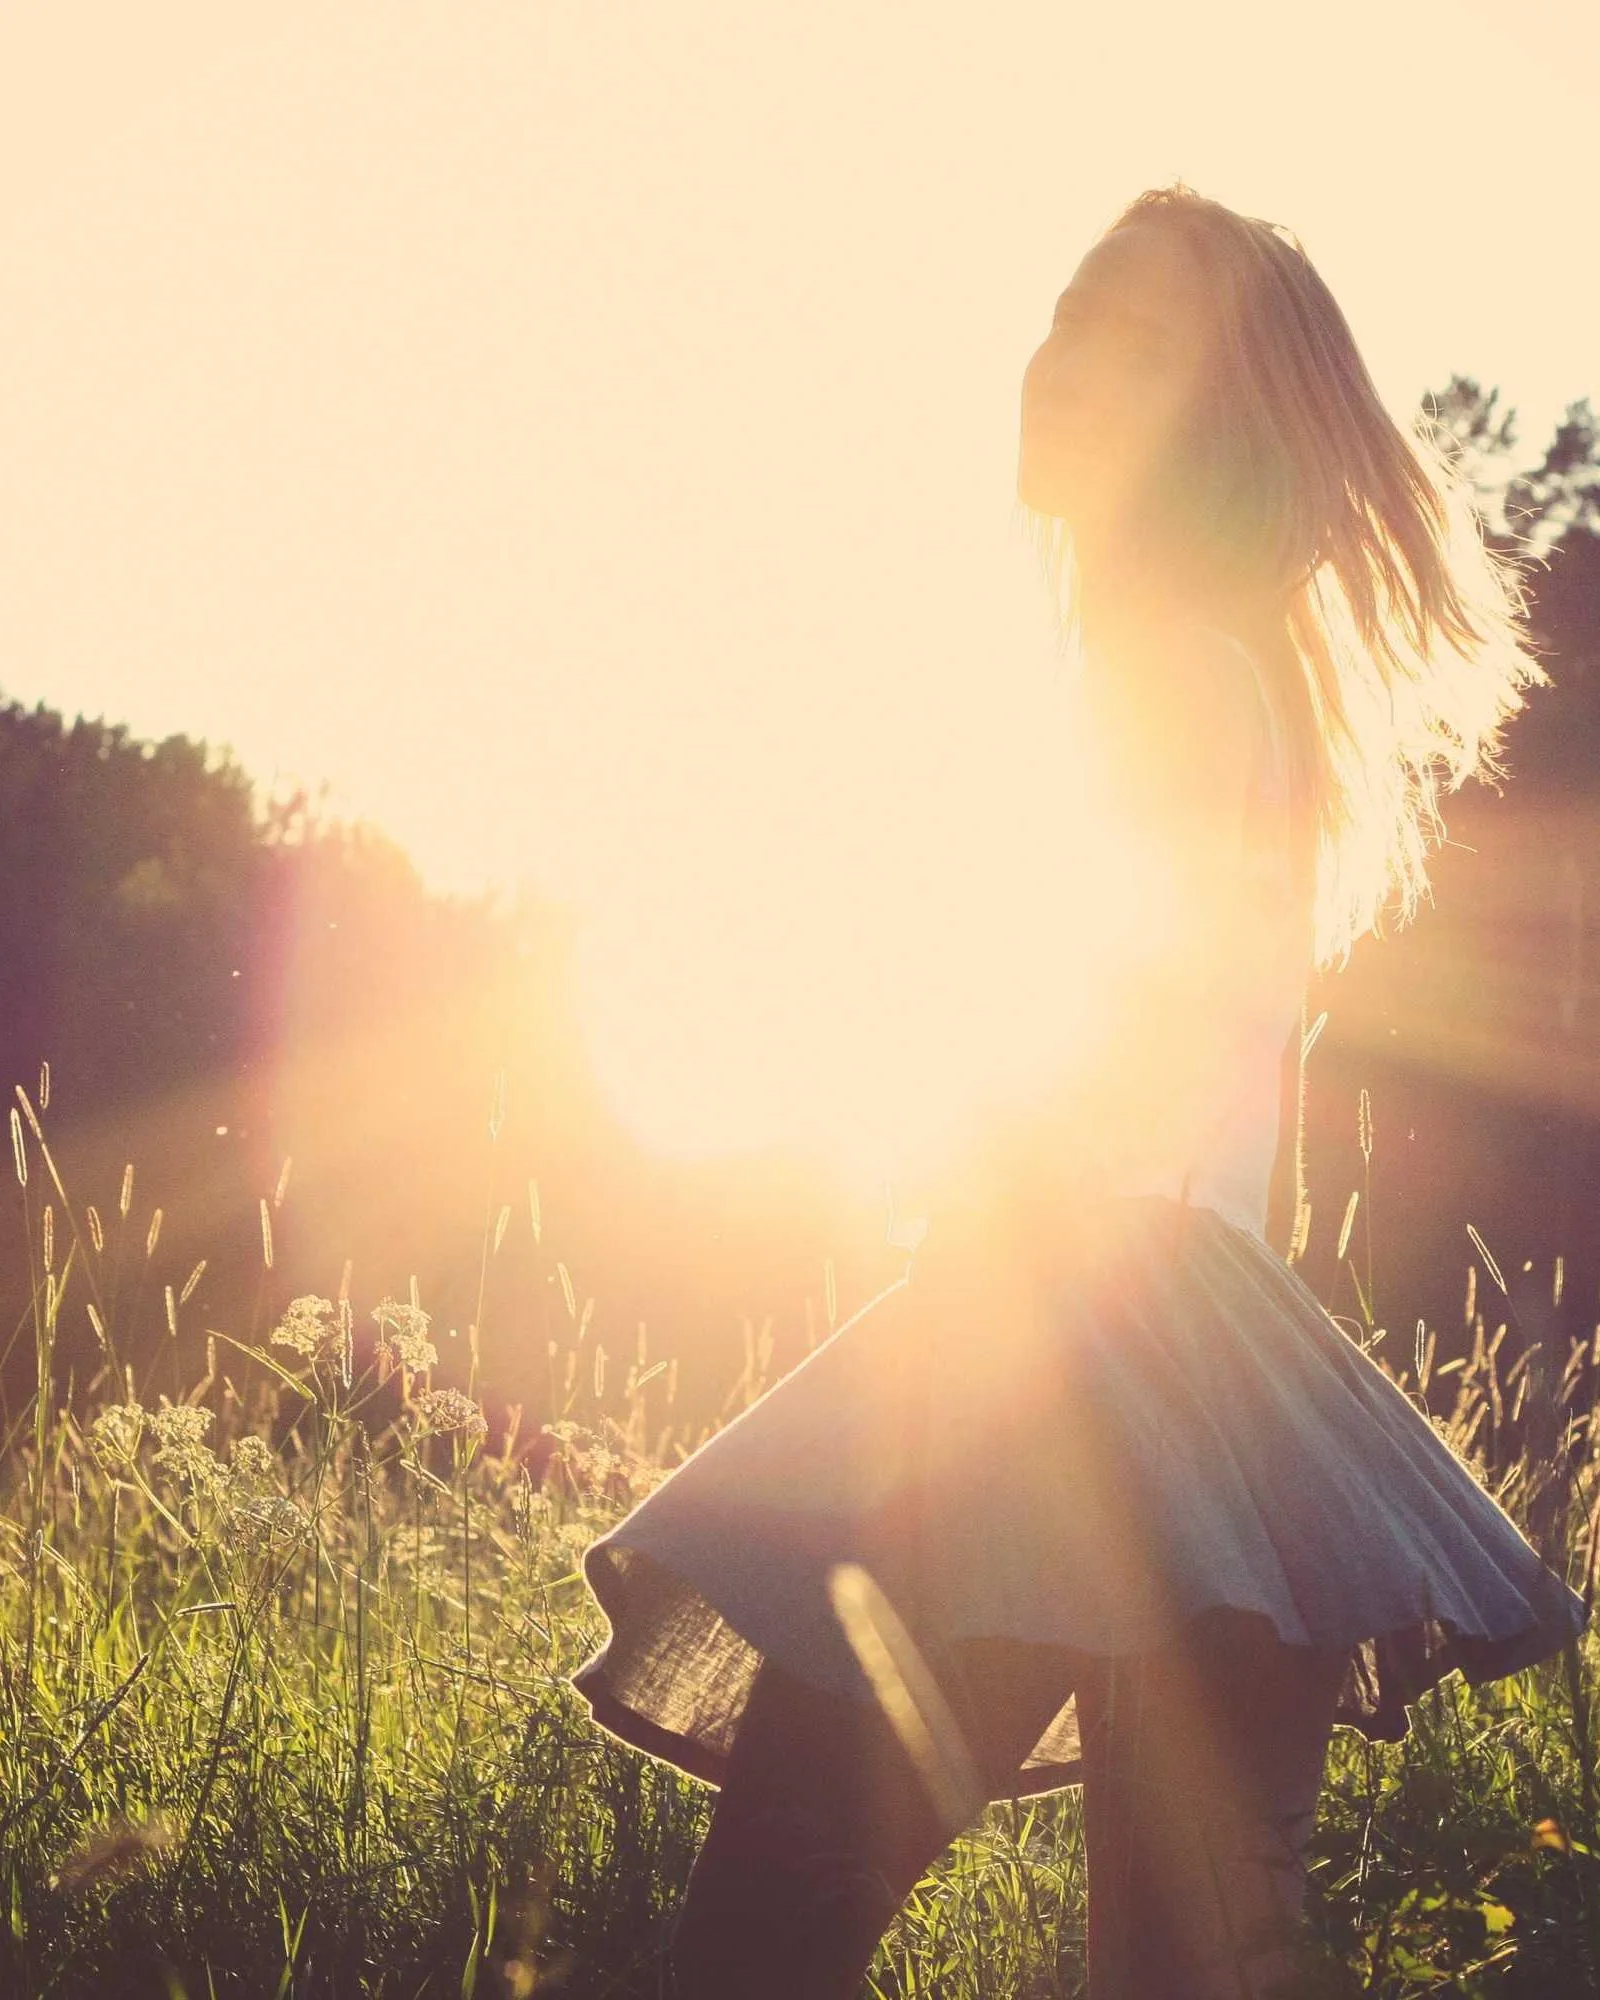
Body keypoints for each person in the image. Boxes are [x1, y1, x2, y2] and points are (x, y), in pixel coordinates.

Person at [569, 182, 1589, 1998]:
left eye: (1126, 330)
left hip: (1065, 1356)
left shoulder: (1164, 678)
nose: (1056, 358)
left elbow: (1108, 1031)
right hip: (1229, 1402)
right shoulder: (1220, 674)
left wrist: (967, 1238)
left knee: (749, 1961)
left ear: (1220, 408)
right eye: (1061, 312)